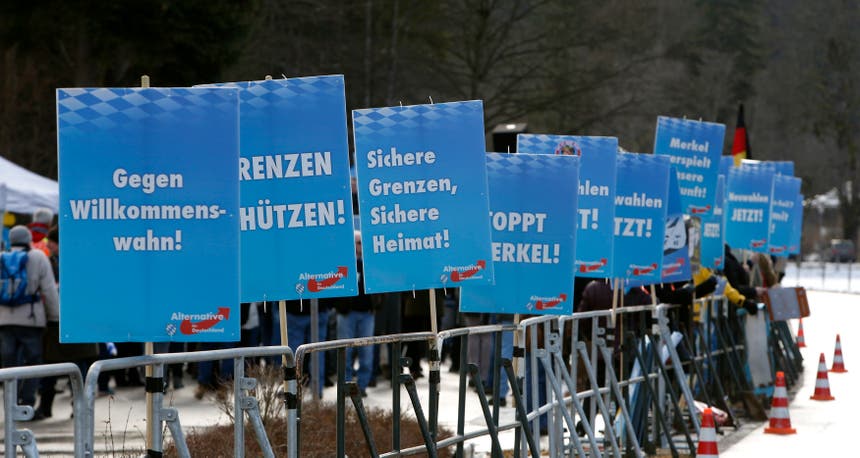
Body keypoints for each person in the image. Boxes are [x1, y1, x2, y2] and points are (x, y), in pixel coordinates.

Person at [36, 226, 99, 417]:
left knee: (71, 366)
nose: (50, 247)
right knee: (62, 366)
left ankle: (74, 406)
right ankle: (54, 406)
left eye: (52, 244)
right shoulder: (77, 261)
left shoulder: (65, 263)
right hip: (67, 321)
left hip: (70, 320)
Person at [0, 225, 59, 420]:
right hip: (31, 319)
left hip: (5, 320)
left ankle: (10, 404)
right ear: (27, 239)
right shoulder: (38, 257)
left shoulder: (2, 258)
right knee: (34, 362)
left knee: (9, 364)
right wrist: (54, 317)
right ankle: (27, 404)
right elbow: (49, 290)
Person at [332, 231, 376, 397]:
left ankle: (362, 386)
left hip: (367, 314)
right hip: (347, 313)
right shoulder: (345, 263)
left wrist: (377, 304)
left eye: (362, 243)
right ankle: (346, 384)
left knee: (366, 352)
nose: (360, 247)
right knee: (345, 351)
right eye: (357, 243)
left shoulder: (371, 263)